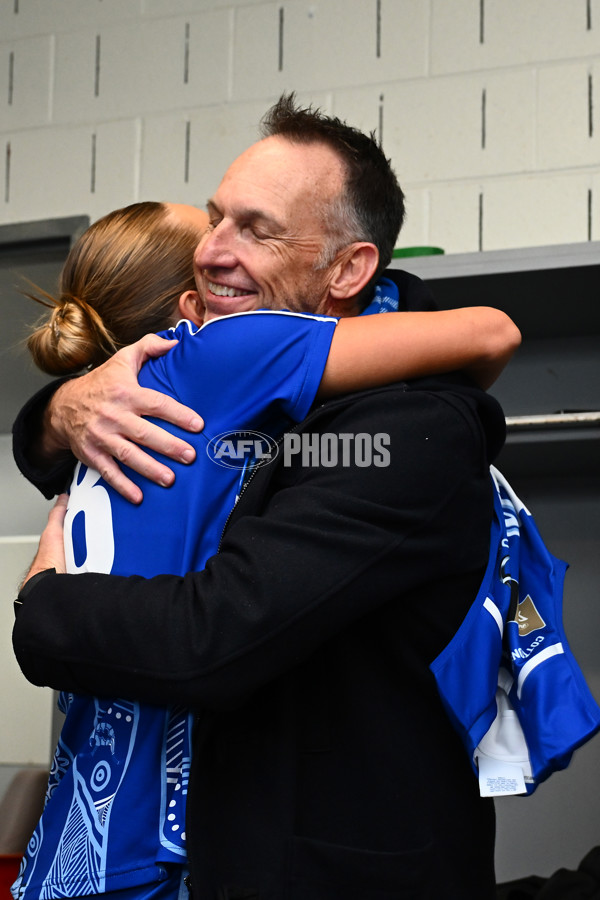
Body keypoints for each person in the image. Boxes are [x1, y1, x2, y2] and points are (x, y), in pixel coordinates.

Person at [13, 94, 521, 899]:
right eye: (216, 219)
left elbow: (212, 636)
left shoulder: (408, 423)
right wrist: (64, 410)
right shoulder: (203, 377)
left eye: (257, 229)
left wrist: (41, 607)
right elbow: (62, 455)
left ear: (348, 269)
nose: (212, 251)